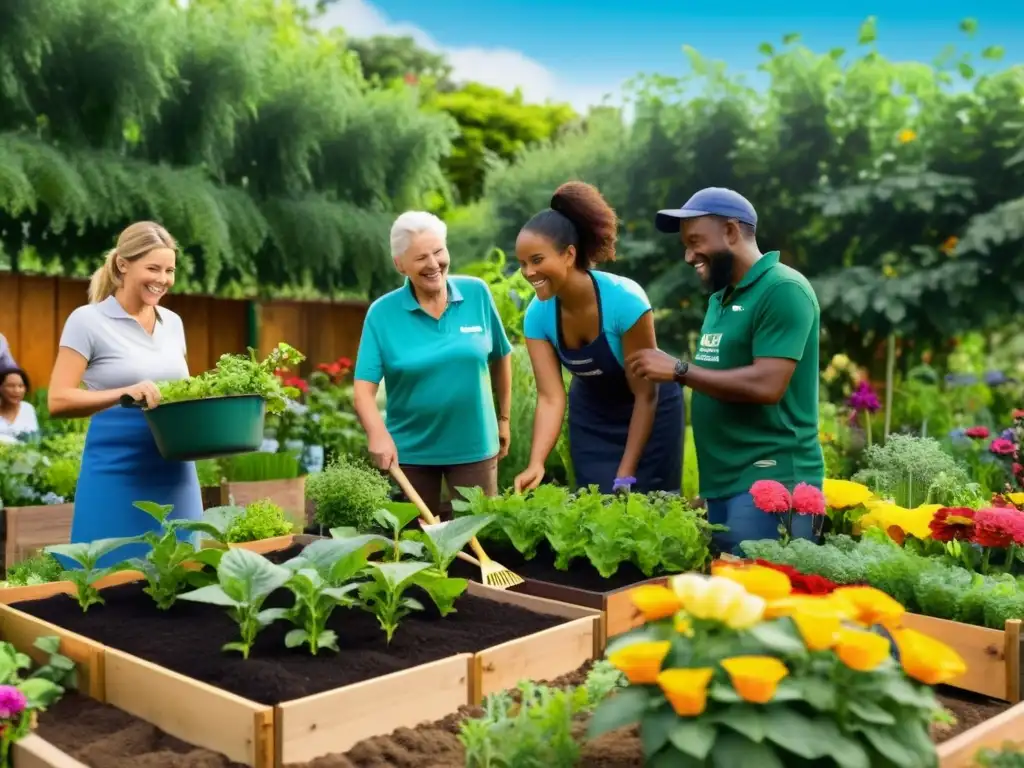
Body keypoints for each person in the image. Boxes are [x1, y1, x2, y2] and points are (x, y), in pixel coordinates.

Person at [627, 187, 824, 554]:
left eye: (695, 241)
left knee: (761, 601)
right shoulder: (722, 299)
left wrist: (680, 370)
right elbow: (722, 383)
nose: (688, 256)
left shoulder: (783, 289)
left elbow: (768, 384)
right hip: (726, 484)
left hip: (771, 479)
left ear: (731, 232)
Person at [513, 181, 684, 495]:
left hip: (648, 409)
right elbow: (550, 397)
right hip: (593, 415)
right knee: (595, 507)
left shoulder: (624, 302)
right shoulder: (538, 315)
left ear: (569, 254)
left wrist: (626, 472)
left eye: (537, 260)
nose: (528, 272)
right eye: (523, 264)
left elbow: (645, 396)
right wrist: (537, 461)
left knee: (649, 508)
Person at [48, 221, 201, 565]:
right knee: (108, 575)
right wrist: (123, 393)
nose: (162, 279)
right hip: (116, 468)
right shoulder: (87, 321)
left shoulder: (173, 323)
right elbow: (58, 400)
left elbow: (184, 391)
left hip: (175, 468)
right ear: (122, 264)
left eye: (169, 270)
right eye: (153, 268)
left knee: (181, 570)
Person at [353, 211, 513, 518]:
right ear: (399, 264)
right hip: (410, 455)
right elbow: (362, 392)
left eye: (439, 251)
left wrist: (503, 419)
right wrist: (377, 434)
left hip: (474, 448)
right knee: (415, 549)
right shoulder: (382, 314)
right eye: (420, 257)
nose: (433, 264)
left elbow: (501, 355)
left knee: (478, 537)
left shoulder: (477, 293)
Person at [0, 368, 39, 443]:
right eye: (11, 386)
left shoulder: (27, 409)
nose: (16, 391)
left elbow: (34, 441)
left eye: (21, 386)